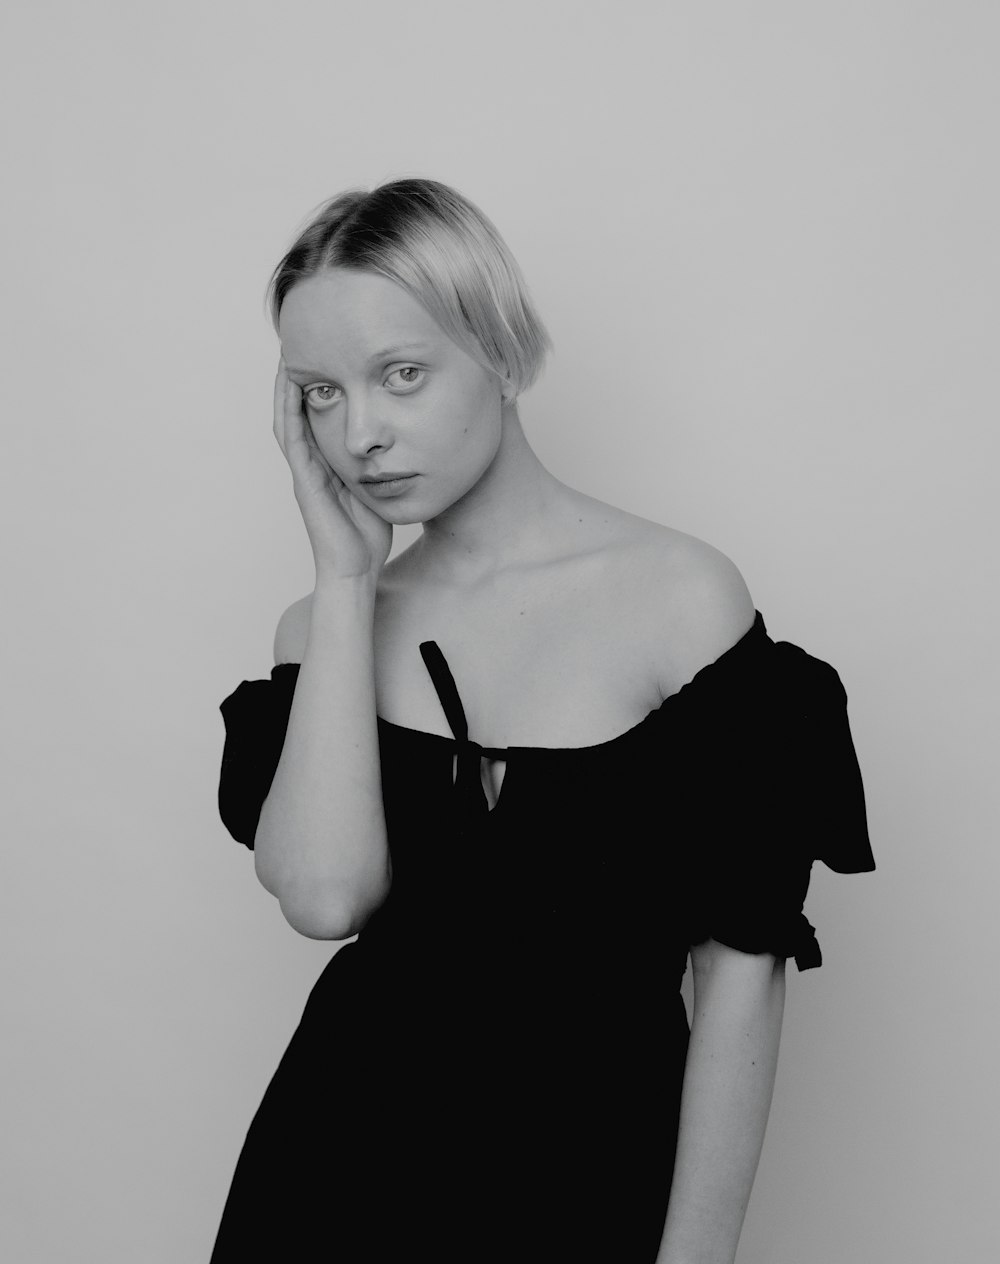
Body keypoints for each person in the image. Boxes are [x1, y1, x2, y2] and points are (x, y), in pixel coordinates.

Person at [209, 178, 875, 1264]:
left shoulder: (678, 596)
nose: (360, 433)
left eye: (401, 374)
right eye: (319, 393)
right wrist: (342, 583)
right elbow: (328, 899)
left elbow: (741, 966)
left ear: (503, 354)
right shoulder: (322, 632)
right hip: (328, 1181)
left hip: (585, 1185)